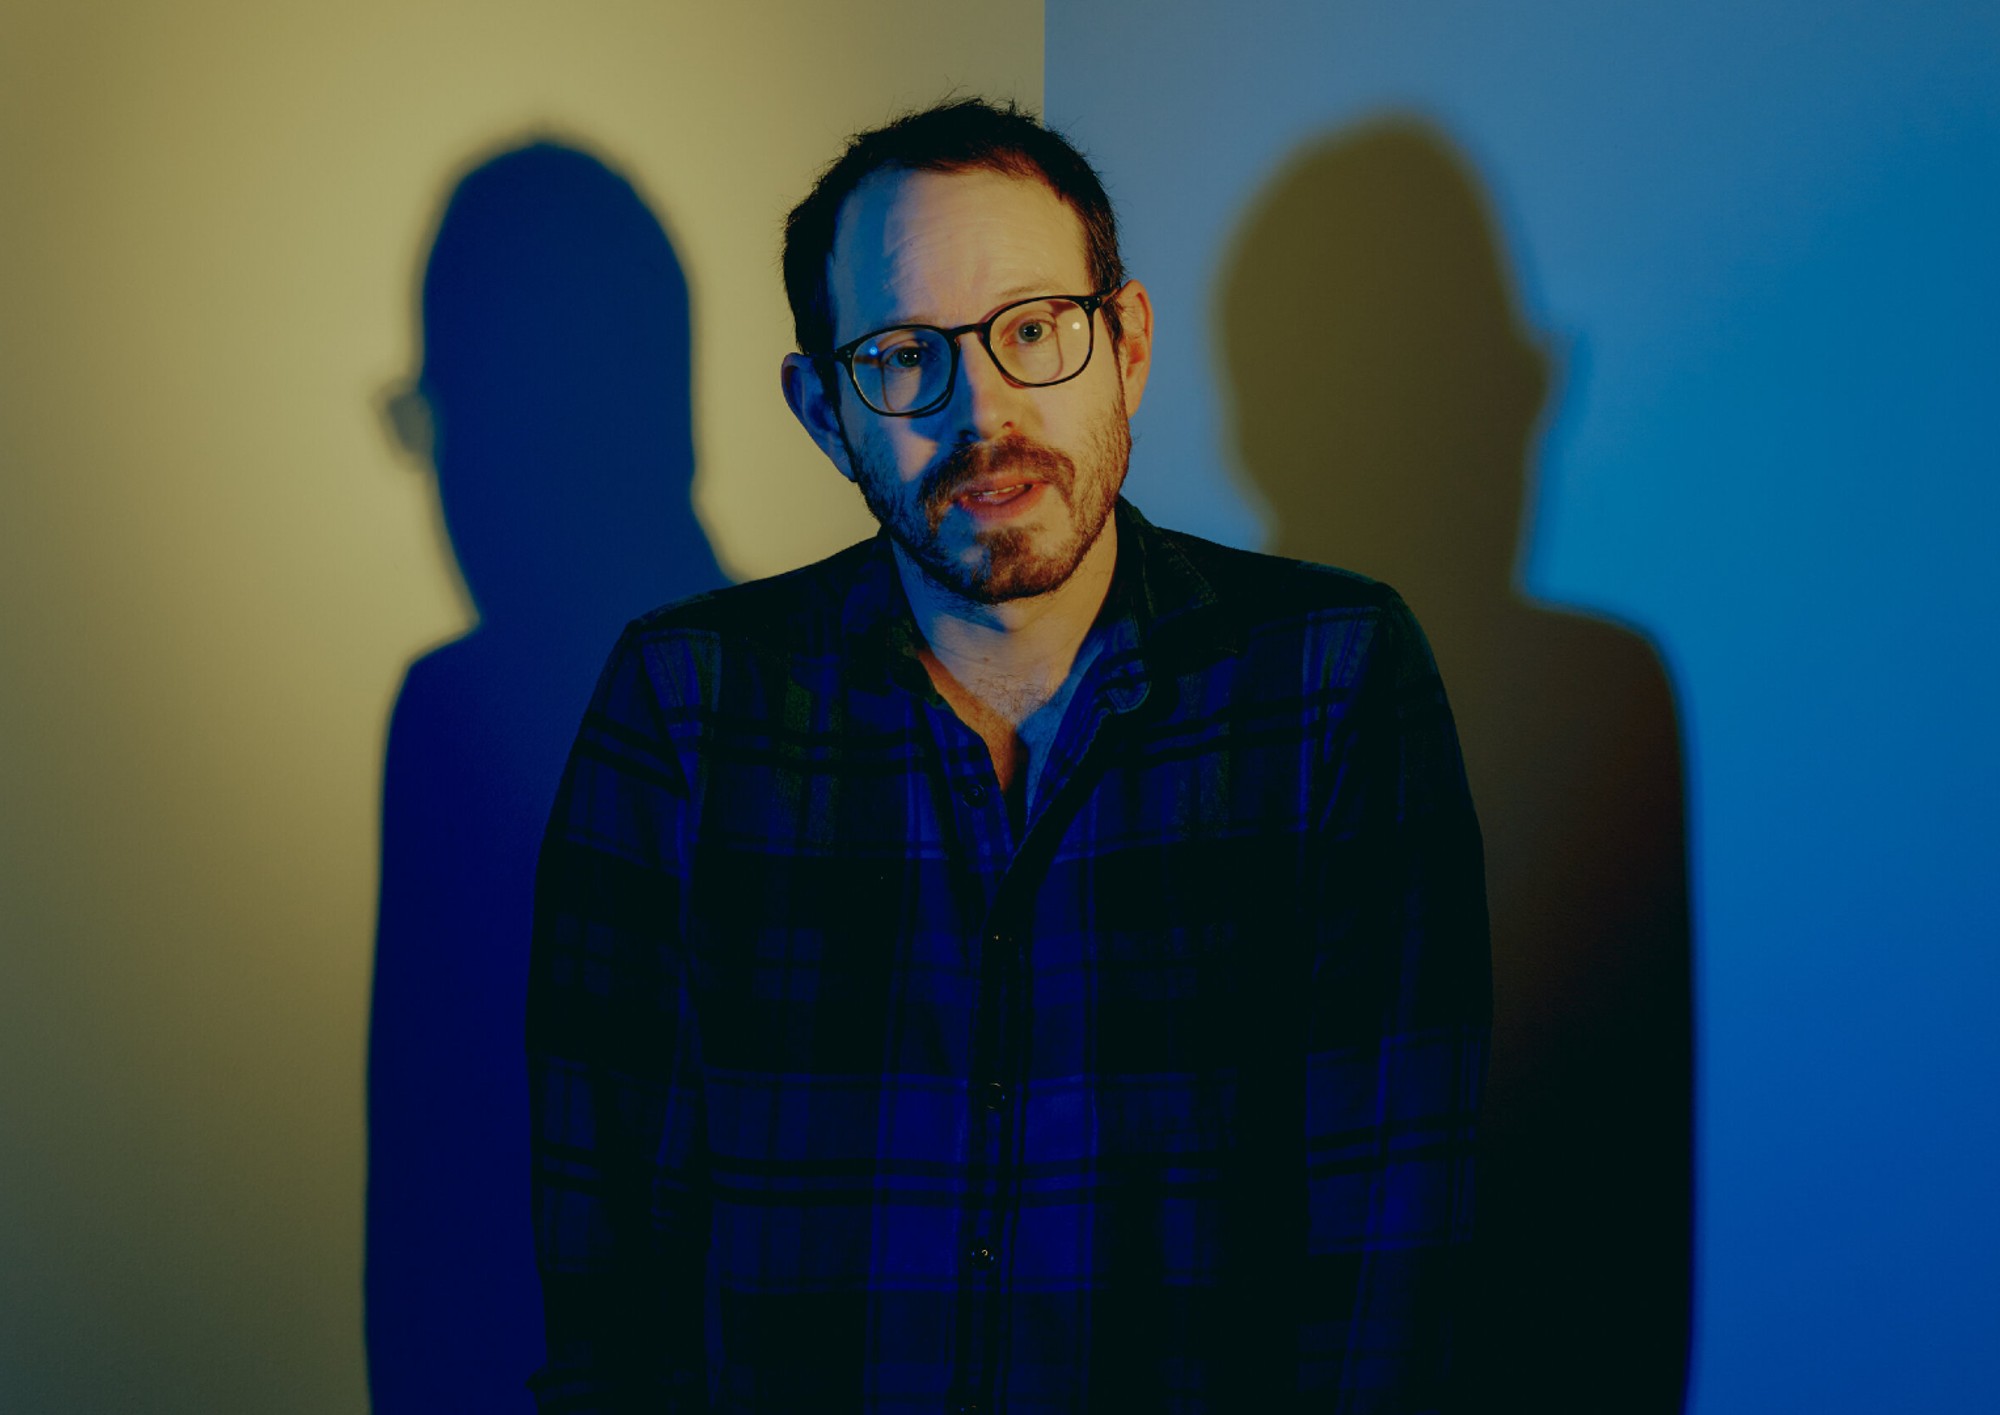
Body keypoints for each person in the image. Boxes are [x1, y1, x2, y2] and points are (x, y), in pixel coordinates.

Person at [527, 98, 1489, 1413]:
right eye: (903, 355)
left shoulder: (1332, 682)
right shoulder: (686, 706)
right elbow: (607, 1270)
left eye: (1033, 329)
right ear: (825, 411)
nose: (982, 410)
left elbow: (1396, 1259)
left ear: (1126, 347)